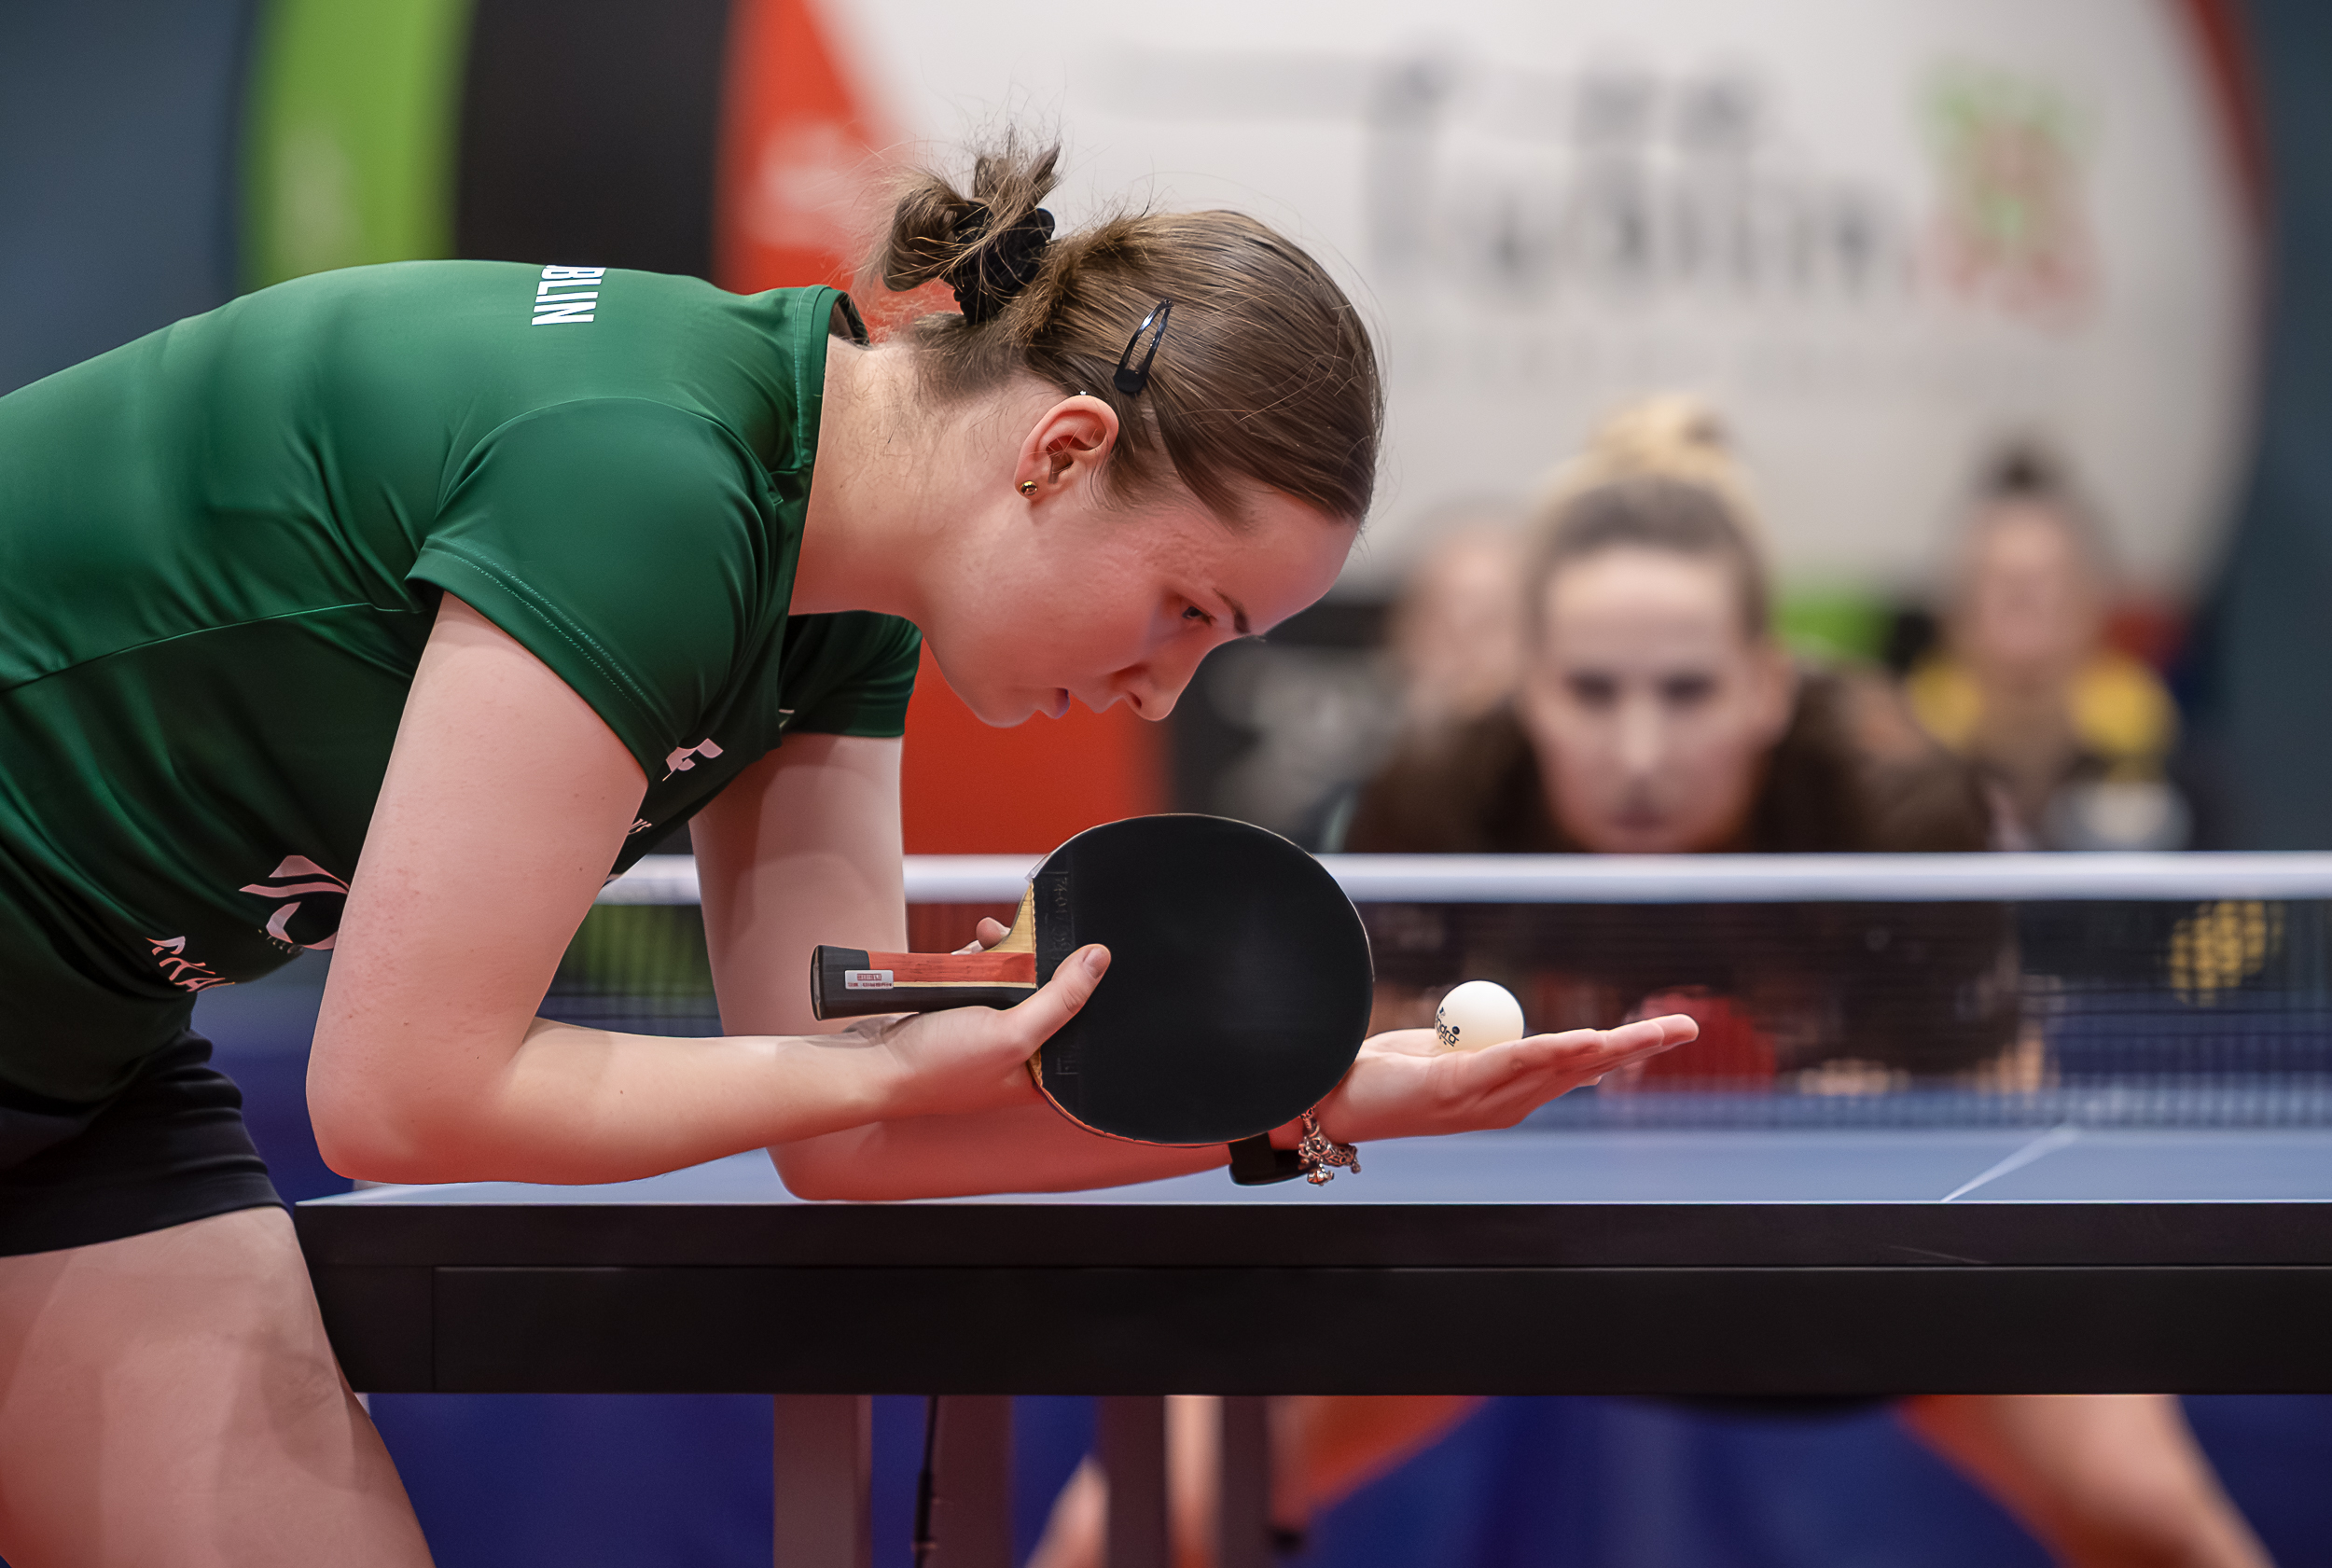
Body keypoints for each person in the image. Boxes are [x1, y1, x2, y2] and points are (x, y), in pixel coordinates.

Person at [0, 140, 1695, 1563]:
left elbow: (847, 1130)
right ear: (1061, 454)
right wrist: (866, 1071)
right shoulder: (646, 489)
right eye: (1188, 607)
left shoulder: (837, 597)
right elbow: (407, 1098)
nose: (1167, 683)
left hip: (79, 1066)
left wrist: (1321, 1101)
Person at [1031, 399, 2268, 1568]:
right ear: (1528, 681)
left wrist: (1865, 1129)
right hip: (1509, 1264)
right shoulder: (1448, 793)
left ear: (1768, 683)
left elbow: (2003, 1096)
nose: (1637, 750)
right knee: (1142, 1520)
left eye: (1685, 691)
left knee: (2159, 1526)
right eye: (1592, 689)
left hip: (1859, 1270)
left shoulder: (1889, 803)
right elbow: (1346, 1100)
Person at [1906, 444, 2187, 850]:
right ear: (1954, 614)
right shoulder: (1904, 789)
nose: (2024, 603)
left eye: (2048, 582)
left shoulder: (2172, 782)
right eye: (2001, 582)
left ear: (2094, 606)